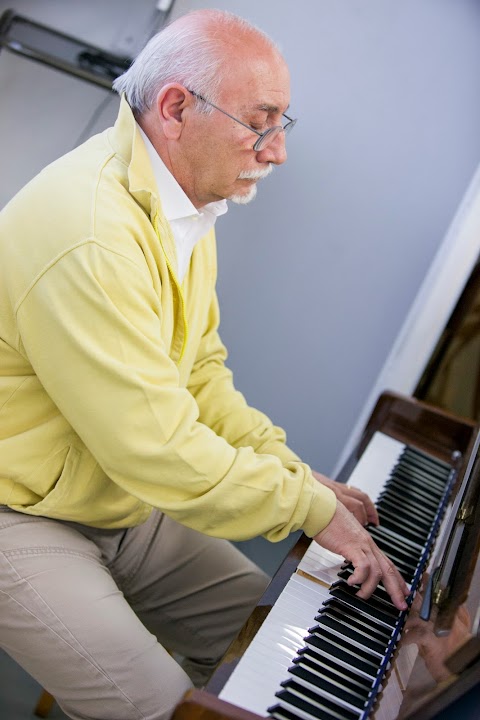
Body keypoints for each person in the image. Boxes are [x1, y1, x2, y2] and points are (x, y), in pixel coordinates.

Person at [0, 8, 409, 720]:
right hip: (20, 513)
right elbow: (155, 445)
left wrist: (292, 473)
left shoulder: (182, 205)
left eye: (285, 122)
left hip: (113, 492)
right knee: (163, 708)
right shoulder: (93, 231)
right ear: (176, 107)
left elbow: (199, 377)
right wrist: (305, 508)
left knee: (269, 636)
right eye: (262, 120)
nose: (277, 150)